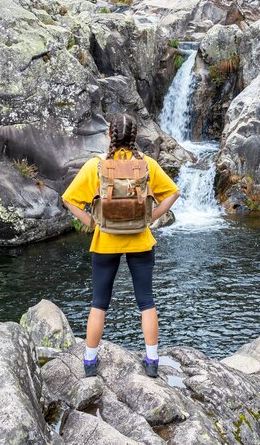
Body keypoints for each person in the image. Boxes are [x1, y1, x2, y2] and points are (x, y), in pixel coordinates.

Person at [61, 113, 180, 378]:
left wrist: (93, 223)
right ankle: (151, 360)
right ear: (135, 137)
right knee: (146, 302)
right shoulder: (146, 164)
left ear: (109, 136)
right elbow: (174, 192)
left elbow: (69, 199)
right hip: (140, 238)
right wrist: (151, 217)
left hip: (105, 241)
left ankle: (90, 362)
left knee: (99, 303)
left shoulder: (97, 166)